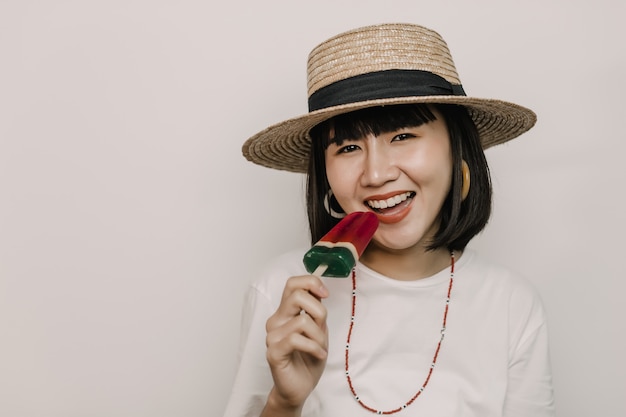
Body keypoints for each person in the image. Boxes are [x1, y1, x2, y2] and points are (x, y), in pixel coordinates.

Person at [223, 23, 555, 417]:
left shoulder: (511, 305)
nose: (376, 174)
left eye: (402, 136)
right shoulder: (280, 292)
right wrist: (285, 402)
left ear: (456, 149)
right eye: (347, 146)